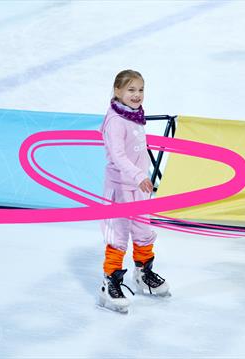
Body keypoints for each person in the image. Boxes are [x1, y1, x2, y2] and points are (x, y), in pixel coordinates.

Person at [98, 69, 170, 313]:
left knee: (143, 230)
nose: (137, 95)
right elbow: (118, 156)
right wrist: (139, 175)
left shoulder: (134, 115)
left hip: (139, 187)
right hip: (121, 187)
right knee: (118, 235)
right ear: (117, 91)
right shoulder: (116, 121)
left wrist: (142, 176)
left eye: (140, 90)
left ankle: (142, 274)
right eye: (131, 90)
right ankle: (110, 283)